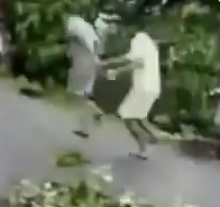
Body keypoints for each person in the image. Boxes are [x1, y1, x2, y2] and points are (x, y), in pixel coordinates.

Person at [101, 30, 161, 159]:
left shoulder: (138, 39)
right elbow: (127, 58)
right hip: (152, 88)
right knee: (139, 117)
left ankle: (144, 148)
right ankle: (155, 137)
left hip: (143, 88)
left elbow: (137, 63)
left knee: (126, 117)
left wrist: (116, 71)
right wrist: (108, 63)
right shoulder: (149, 44)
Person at [65, 15, 103, 138]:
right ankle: (86, 127)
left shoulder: (74, 28)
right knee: (85, 94)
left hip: (82, 64)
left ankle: (92, 116)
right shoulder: (89, 29)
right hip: (92, 64)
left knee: (79, 96)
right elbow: (97, 45)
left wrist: (70, 53)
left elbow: (72, 47)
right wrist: (97, 60)